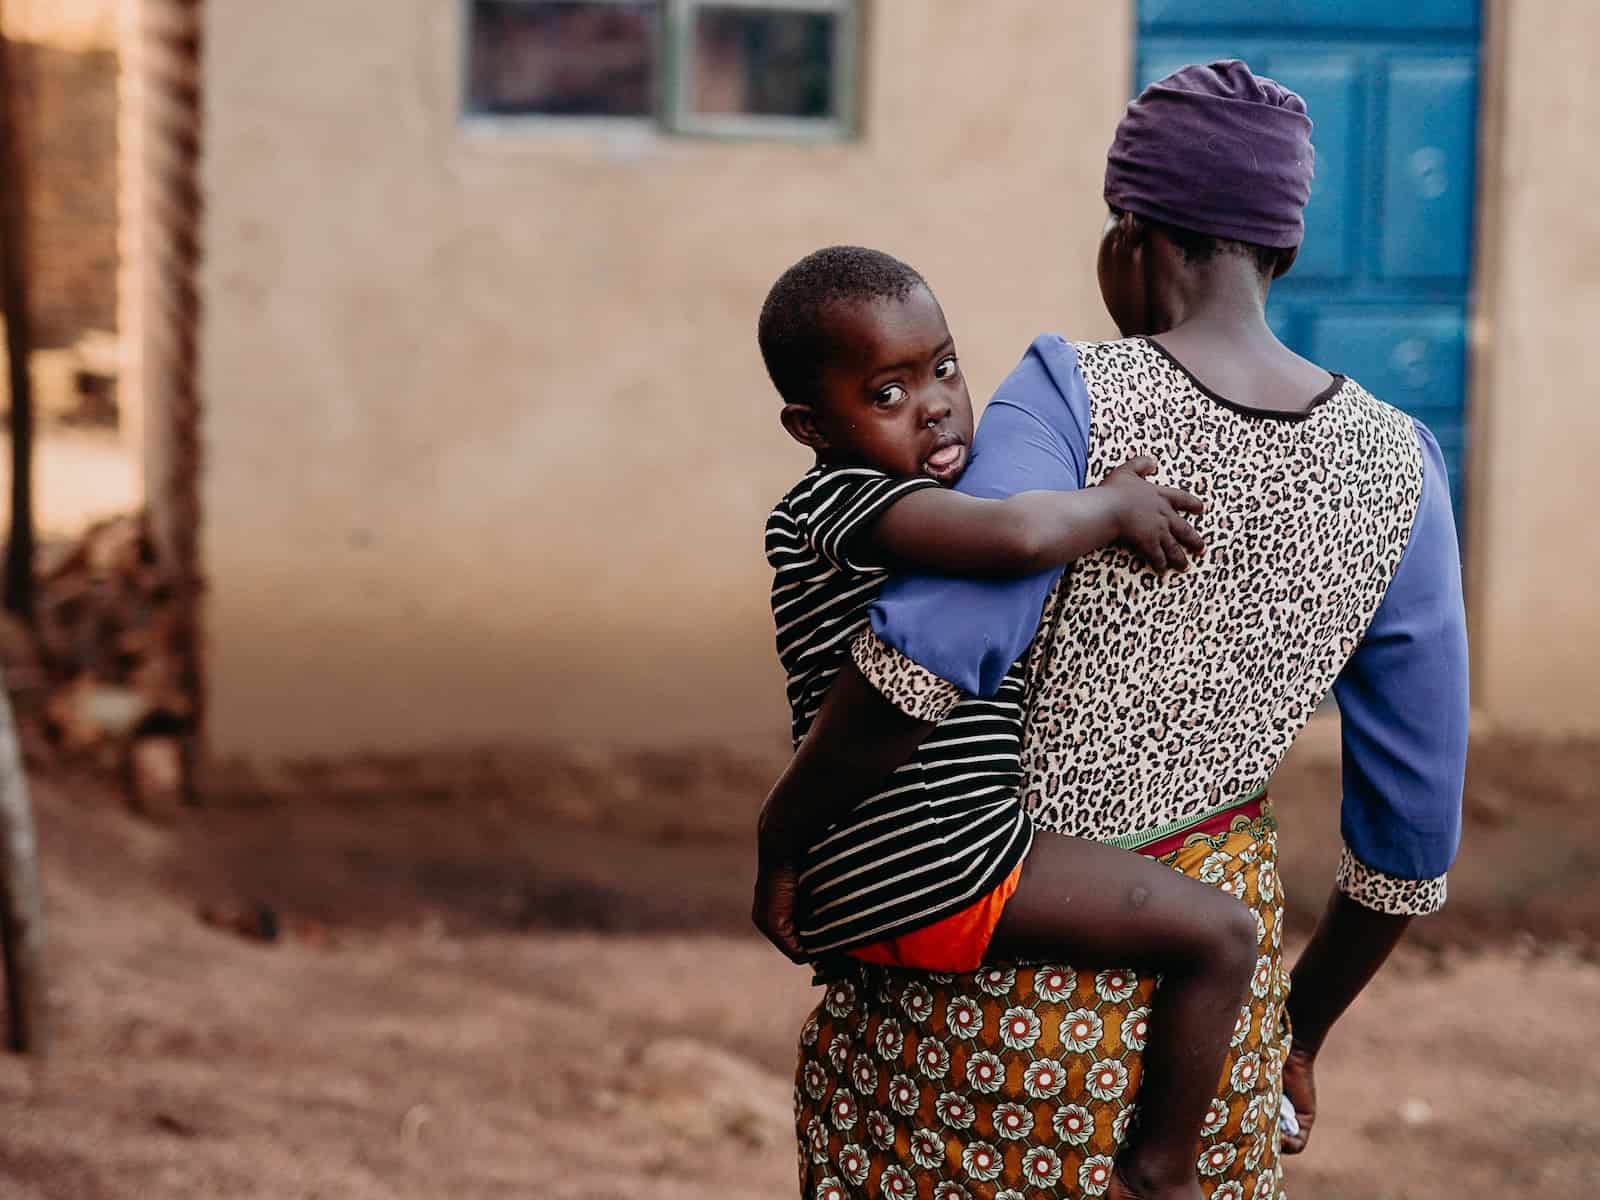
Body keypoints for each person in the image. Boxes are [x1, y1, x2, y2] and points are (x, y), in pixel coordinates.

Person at [757, 61, 1468, 1200]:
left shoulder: (1068, 389)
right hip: (1208, 1043)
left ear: (1130, 236)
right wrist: (1299, 1029)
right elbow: (1410, 840)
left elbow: (925, 657)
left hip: (981, 1018)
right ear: (1276, 251)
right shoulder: (1402, 467)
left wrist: (790, 835)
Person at [756, 245, 1259, 1200]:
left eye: (943, 367)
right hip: (938, 854)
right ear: (811, 425)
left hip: (873, 857)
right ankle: (1162, 1176)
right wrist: (1110, 504)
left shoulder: (902, 499)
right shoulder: (835, 502)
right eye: (888, 392)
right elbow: (1018, 537)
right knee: (1222, 936)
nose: (936, 403)